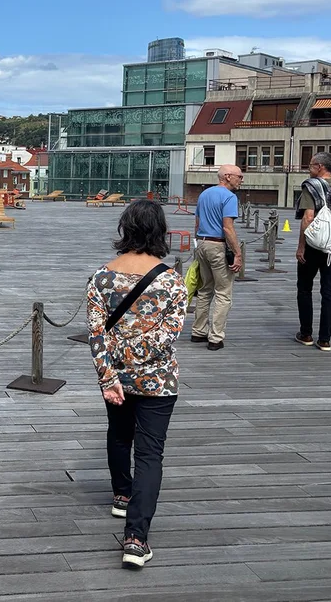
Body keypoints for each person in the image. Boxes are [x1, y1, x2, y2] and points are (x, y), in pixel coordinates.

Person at [86, 199, 188, 570]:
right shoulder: (172, 280)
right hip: (159, 379)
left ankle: (121, 495)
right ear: (159, 230)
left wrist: (111, 374)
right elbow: (168, 335)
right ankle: (136, 537)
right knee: (150, 453)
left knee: (118, 434)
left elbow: (96, 335)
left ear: (124, 228)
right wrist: (138, 358)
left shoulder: (101, 277)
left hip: (115, 378)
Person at [295, 152, 331, 351]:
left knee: (304, 287)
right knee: (329, 291)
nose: (307, 169)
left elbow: (307, 218)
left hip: (313, 244)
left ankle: (306, 333)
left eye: (310, 165)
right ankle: (325, 339)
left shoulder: (311, 187)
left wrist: (301, 246)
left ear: (319, 167)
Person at [191, 165, 243, 350]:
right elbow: (228, 227)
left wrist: (198, 244)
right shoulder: (229, 197)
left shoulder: (204, 194)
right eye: (239, 176)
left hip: (202, 243)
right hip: (218, 245)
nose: (241, 180)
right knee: (223, 292)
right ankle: (215, 337)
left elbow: (197, 222)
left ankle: (198, 331)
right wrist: (237, 253)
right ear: (227, 177)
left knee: (205, 289)